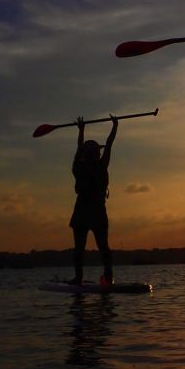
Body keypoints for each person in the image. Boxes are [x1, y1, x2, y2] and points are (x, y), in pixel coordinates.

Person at [68, 115, 118, 286]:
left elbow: (78, 149)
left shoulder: (78, 166)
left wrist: (81, 131)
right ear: (96, 153)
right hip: (94, 210)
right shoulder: (101, 165)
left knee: (80, 248)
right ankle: (107, 276)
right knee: (102, 246)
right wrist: (115, 126)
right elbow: (109, 143)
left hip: (84, 210)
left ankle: (79, 277)